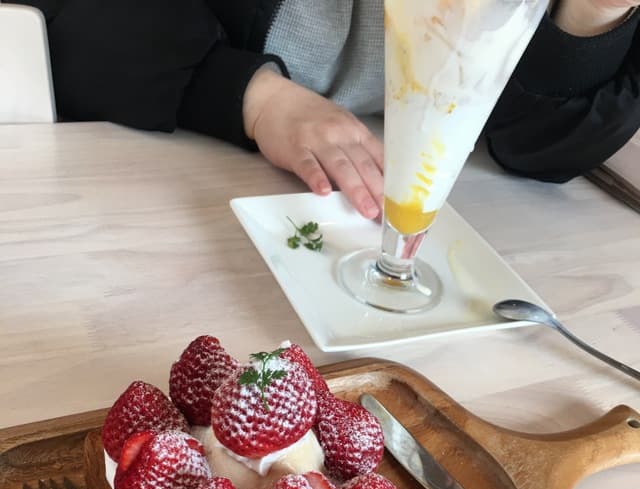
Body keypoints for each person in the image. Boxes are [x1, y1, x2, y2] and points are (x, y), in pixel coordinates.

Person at [20, 0, 640, 220]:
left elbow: (536, 147)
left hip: (455, 222)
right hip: (150, 159)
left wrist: (595, 13)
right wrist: (251, 95)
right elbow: (59, 19)